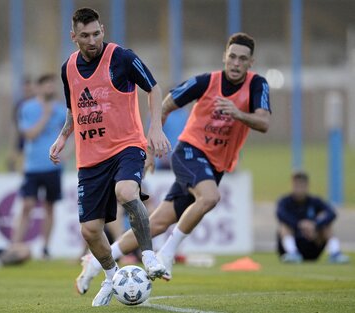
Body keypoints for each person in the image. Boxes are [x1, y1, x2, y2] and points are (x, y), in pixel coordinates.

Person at [75, 32, 272, 289]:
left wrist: (237, 113)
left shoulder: (258, 86)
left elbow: (264, 122)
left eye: (242, 59)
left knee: (156, 223)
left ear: (251, 62)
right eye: (232, 57)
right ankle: (166, 254)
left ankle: (93, 263)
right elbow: (167, 103)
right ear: (225, 57)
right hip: (190, 151)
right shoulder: (206, 82)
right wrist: (151, 143)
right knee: (210, 197)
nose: (236, 63)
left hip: (216, 164)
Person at [49, 7, 170, 306]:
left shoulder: (122, 58)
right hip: (90, 157)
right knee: (90, 230)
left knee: (126, 191)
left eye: (97, 33)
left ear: (103, 29)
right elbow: (73, 108)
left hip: (126, 145)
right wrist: (63, 136)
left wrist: (155, 127)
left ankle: (149, 256)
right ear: (73, 36)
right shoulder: (68, 68)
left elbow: (153, 88)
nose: (93, 40)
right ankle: (111, 276)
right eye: (85, 36)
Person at [10, 74, 66, 259]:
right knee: (28, 205)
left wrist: (67, 154)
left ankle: (45, 248)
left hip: (53, 167)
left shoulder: (61, 109)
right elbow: (30, 135)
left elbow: (69, 134)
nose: (50, 88)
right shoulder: (27, 108)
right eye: (46, 85)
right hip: (32, 167)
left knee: (50, 207)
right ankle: (15, 245)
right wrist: (46, 115)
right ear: (39, 88)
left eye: (52, 85)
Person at [277, 171, 350, 264]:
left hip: (312, 242)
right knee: (284, 227)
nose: (299, 188)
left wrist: (315, 225)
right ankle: (292, 253)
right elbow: (280, 214)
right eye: (296, 185)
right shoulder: (285, 202)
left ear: (307, 185)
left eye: (301, 185)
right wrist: (300, 225)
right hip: (293, 241)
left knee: (327, 226)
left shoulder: (315, 201)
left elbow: (332, 213)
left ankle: (335, 253)